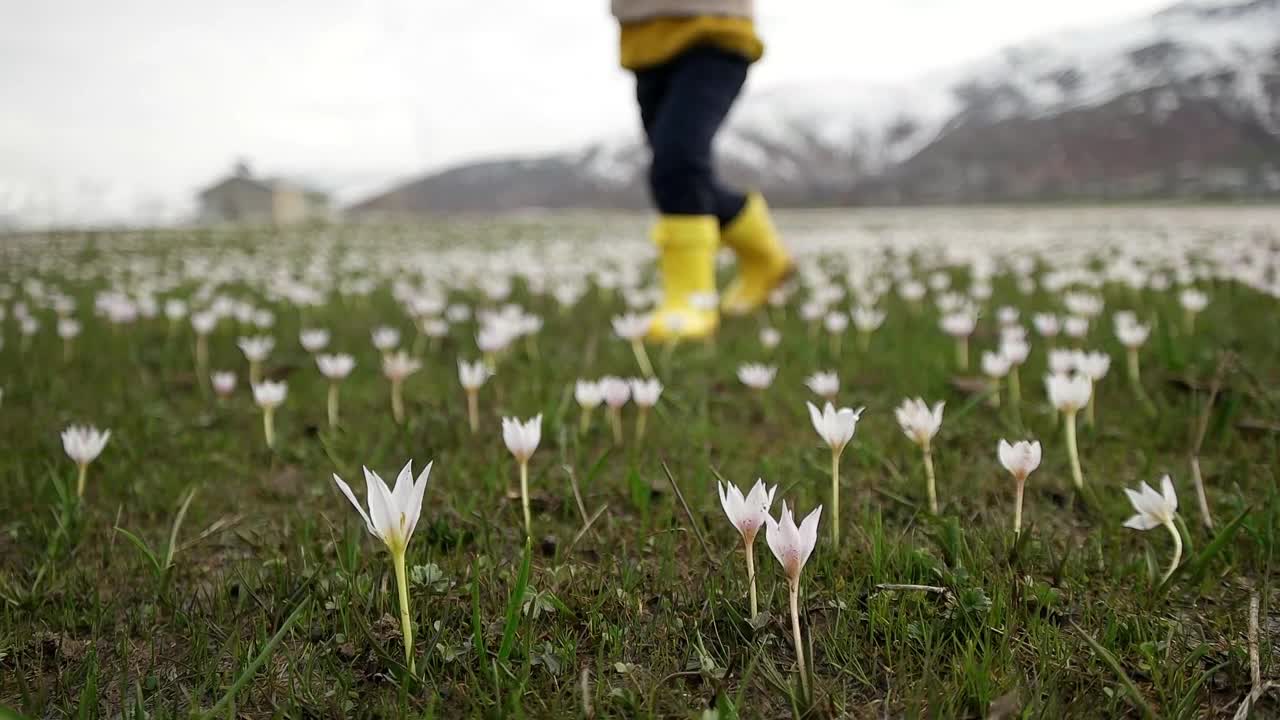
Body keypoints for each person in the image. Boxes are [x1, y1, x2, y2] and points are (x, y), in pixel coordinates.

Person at [611, 0, 793, 341]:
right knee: (681, 176)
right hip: (643, 41)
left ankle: (691, 301)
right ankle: (767, 257)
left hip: (715, 29)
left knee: (677, 165)